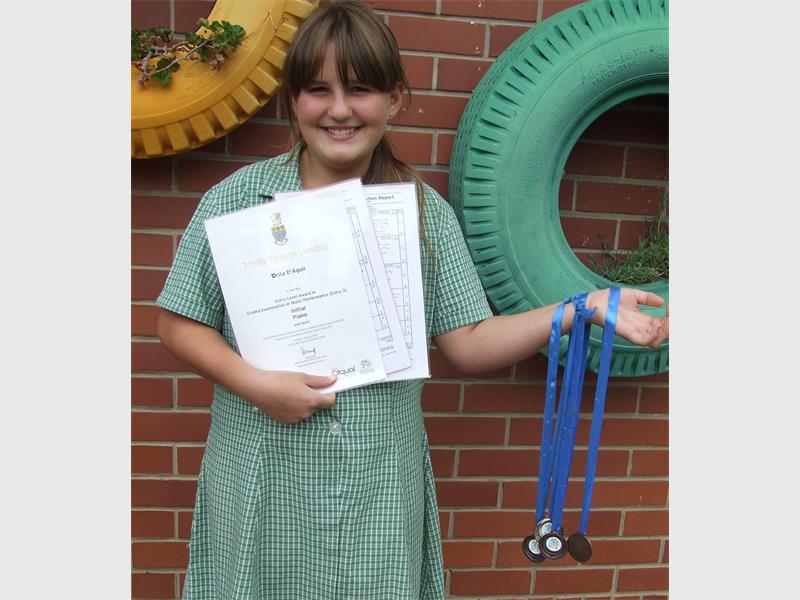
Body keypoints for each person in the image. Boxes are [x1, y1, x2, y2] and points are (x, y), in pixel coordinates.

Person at [155, 1, 669, 598]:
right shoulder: (238, 201)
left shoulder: (424, 217)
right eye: (318, 90)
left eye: (360, 89)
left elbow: (469, 342)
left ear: (395, 99)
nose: (339, 109)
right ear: (293, 101)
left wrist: (579, 307)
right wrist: (254, 384)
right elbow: (177, 323)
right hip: (262, 474)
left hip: (375, 484)